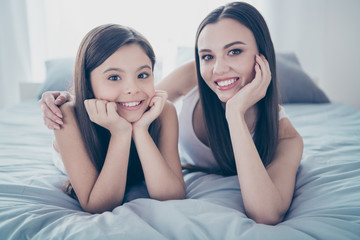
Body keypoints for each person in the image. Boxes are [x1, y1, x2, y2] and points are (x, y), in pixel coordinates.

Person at [39, 2, 303, 224]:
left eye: (235, 51)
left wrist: (234, 113)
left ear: (263, 55)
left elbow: (266, 214)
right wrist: (75, 98)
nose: (218, 69)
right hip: (92, 140)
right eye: (207, 56)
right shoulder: (196, 75)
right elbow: (137, 100)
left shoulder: (285, 137)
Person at [44, 24, 186, 214]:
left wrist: (141, 130)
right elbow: (99, 205)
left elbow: (171, 197)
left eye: (143, 75)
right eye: (114, 77)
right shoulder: (69, 116)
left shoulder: (163, 111)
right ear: (88, 83)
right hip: (67, 150)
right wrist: (120, 133)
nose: (132, 89)